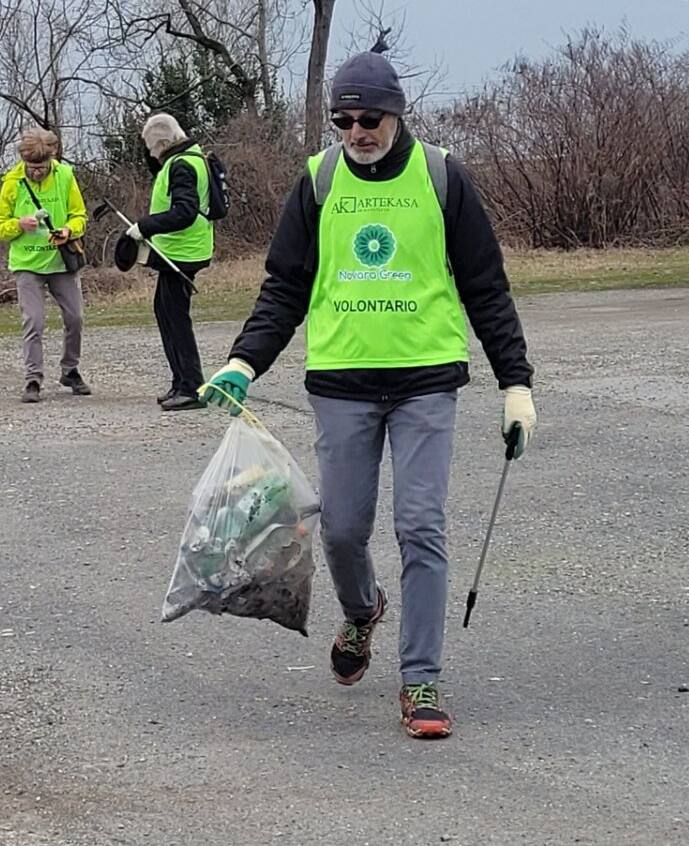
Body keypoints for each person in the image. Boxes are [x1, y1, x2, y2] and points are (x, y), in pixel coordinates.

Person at [198, 47, 536, 739]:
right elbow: (285, 286)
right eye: (345, 120)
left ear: (397, 114)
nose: (357, 132)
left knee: (421, 526)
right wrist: (243, 362)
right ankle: (362, 611)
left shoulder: (441, 177)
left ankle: (420, 680)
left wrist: (516, 384)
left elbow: (485, 287)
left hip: (426, 381)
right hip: (342, 384)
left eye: (370, 118)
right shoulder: (317, 183)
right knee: (344, 528)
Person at [0, 127, 90, 403]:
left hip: (60, 262)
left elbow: (80, 215)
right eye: (31, 167)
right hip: (27, 264)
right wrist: (18, 225)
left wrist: (69, 231)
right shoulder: (11, 183)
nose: (36, 172)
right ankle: (33, 378)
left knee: (75, 317)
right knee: (33, 321)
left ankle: (70, 370)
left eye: (42, 167)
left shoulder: (65, 177)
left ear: (51, 159)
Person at [124, 113, 213, 411]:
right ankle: (180, 382)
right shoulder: (186, 158)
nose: (151, 155)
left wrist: (145, 226)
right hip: (175, 251)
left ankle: (191, 387)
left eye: (151, 148)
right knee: (165, 313)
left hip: (183, 253)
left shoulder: (183, 165)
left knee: (176, 320)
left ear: (161, 144)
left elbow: (185, 211)